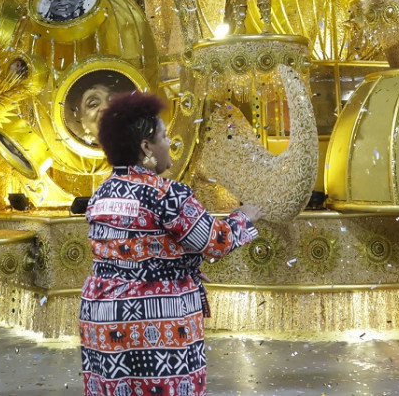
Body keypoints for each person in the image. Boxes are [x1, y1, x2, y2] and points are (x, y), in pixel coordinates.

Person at [80, 91, 263, 396]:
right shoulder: (167, 194)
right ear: (146, 147)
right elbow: (216, 241)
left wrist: (182, 264)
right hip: (157, 320)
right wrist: (243, 217)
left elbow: (133, 251)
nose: (170, 146)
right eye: (164, 137)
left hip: (103, 317)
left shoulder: (101, 195)